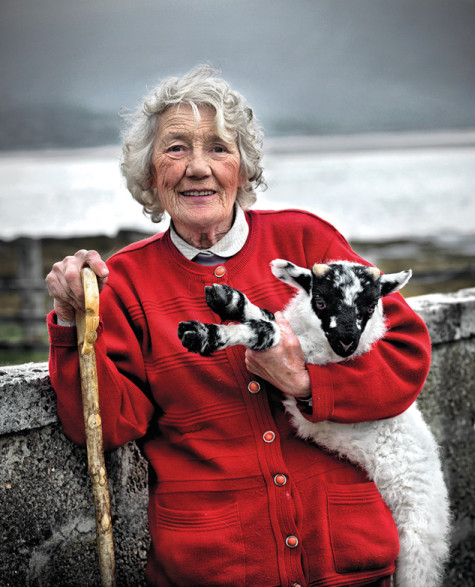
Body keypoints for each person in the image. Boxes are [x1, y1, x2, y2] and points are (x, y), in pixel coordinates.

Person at [45, 65, 431, 587]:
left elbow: (405, 356)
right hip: (216, 566)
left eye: (219, 149)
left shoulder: (306, 243)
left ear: (243, 170)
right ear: (150, 174)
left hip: (347, 558)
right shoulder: (127, 281)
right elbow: (108, 424)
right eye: (176, 148)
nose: (198, 168)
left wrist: (307, 383)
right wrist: (71, 320)